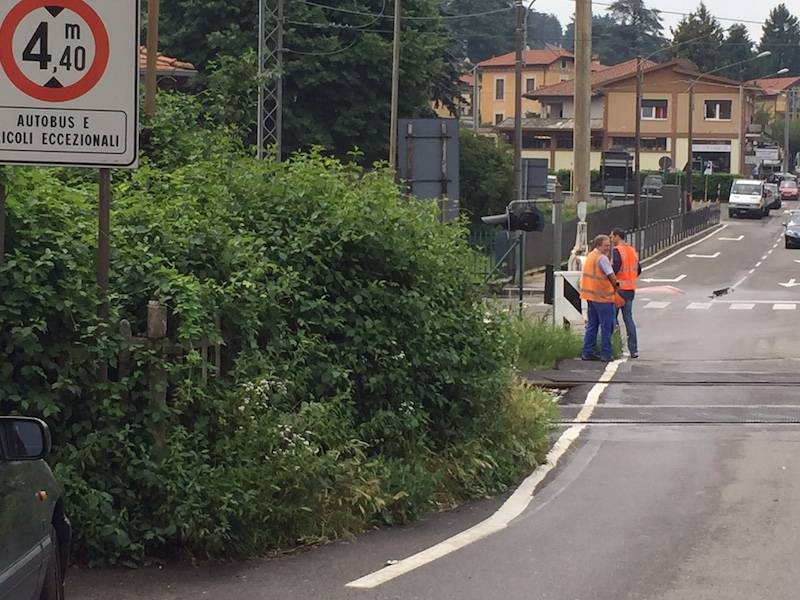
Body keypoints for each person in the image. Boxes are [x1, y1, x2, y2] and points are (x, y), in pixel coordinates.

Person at [580, 235, 620, 362]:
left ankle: (587, 352)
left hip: (591, 297)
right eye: (606, 245)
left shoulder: (591, 256)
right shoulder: (602, 258)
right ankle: (606, 354)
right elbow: (611, 276)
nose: (608, 248)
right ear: (598, 245)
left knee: (592, 325)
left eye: (609, 245)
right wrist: (617, 286)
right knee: (607, 326)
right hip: (603, 298)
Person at [611, 228, 642, 358]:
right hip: (630, 289)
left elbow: (615, 267)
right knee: (628, 319)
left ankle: (617, 348)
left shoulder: (617, 251)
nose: (611, 239)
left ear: (617, 236)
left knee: (613, 319)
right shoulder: (632, 250)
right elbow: (638, 269)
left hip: (619, 289)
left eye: (612, 236)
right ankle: (633, 349)